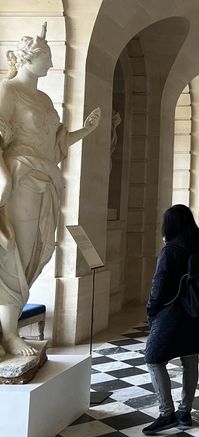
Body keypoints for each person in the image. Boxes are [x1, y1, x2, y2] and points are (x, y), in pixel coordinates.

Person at [0, 24, 101, 358]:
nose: (50, 63)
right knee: (16, 251)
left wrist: (85, 131)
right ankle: (10, 334)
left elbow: (56, 145)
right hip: (21, 179)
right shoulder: (8, 92)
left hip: (46, 178)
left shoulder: (43, 98)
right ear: (30, 58)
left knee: (36, 253)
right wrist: (2, 177)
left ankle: (7, 330)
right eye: (46, 57)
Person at [143, 205, 199, 435]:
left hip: (172, 315)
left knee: (153, 359)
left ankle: (166, 412)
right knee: (190, 361)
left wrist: (151, 309)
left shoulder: (170, 250)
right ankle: (184, 412)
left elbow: (159, 285)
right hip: (195, 313)